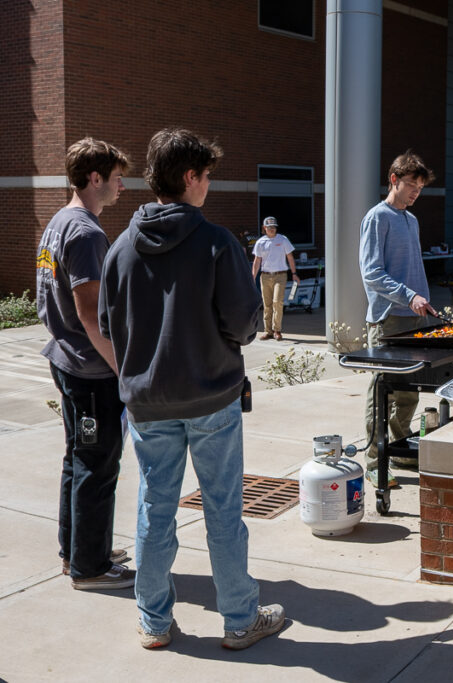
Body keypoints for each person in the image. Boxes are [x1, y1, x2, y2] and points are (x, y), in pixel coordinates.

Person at [98, 128, 284, 650]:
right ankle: (240, 620)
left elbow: (111, 328)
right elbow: (245, 324)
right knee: (223, 511)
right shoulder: (217, 243)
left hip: (148, 402)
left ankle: (154, 622)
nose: (208, 185)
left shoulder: (120, 249)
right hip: (212, 398)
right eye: (206, 175)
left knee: (154, 510)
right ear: (189, 177)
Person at [35, 138, 135, 590]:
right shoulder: (86, 232)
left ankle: (77, 551)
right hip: (90, 372)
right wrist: (124, 370)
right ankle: (90, 568)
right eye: (116, 178)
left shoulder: (58, 221)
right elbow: (91, 314)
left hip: (67, 360)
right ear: (95, 178)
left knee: (78, 460)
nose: (122, 186)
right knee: (97, 464)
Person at [358, 151, 437, 489]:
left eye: (419, 187)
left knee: (409, 394)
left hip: (415, 319)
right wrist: (408, 296)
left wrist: (424, 302)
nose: (415, 193)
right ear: (393, 180)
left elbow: (412, 269)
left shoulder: (411, 220)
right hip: (388, 320)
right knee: (382, 392)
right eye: (410, 185)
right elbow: (371, 273)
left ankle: (401, 449)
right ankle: (376, 463)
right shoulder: (377, 218)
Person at [251, 216, 301, 340]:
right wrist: (252, 277)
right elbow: (257, 261)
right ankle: (267, 331)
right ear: (264, 228)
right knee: (267, 304)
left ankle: (277, 330)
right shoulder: (260, 242)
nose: (272, 229)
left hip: (280, 275)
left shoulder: (283, 240)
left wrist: (294, 274)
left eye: (274, 227)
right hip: (265, 276)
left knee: (277, 302)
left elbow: (290, 257)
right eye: (269, 227)